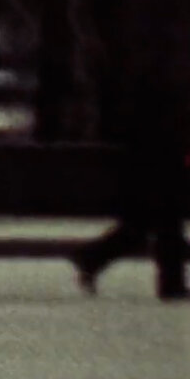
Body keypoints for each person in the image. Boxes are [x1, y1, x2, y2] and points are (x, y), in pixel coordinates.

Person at [69, 52, 189, 300]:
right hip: (163, 158)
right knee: (164, 221)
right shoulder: (168, 86)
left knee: (146, 224)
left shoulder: (152, 80)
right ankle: (170, 282)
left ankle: (92, 257)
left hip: (151, 158)